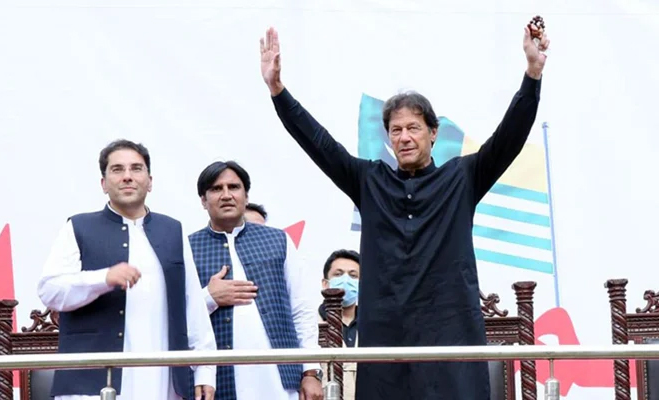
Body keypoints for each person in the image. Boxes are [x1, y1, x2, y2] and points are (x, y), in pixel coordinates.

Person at [259, 23, 550, 400]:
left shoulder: (462, 177)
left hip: (451, 334)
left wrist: (532, 74)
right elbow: (320, 145)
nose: (404, 137)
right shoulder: (369, 181)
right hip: (386, 339)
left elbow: (510, 136)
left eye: (414, 127)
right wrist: (278, 91)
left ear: (434, 132)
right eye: (395, 130)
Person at [37, 139, 217, 400]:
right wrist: (103, 278)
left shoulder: (172, 231)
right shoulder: (78, 227)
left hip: (162, 382)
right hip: (92, 385)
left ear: (150, 180)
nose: (127, 177)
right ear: (103, 183)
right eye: (117, 169)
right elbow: (49, 290)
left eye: (136, 168)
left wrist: (204, 371)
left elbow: (192, 307)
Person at [188, 160, 323, 400]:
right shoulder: (187, 248)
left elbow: (302, 309)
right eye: (217, 189)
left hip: (280, 382)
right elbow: (178, 319)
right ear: (203, 200)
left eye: (234, 187)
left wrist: (310, 371)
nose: (226, 195)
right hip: (217, 384)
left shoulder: (278, 240)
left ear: (246, 195)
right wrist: (209, 298)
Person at [318, 249, 360, 400]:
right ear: (325, 283)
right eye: (338, 274)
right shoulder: (309, 325)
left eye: (353, 275)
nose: (346, 280)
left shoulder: (373, 327)